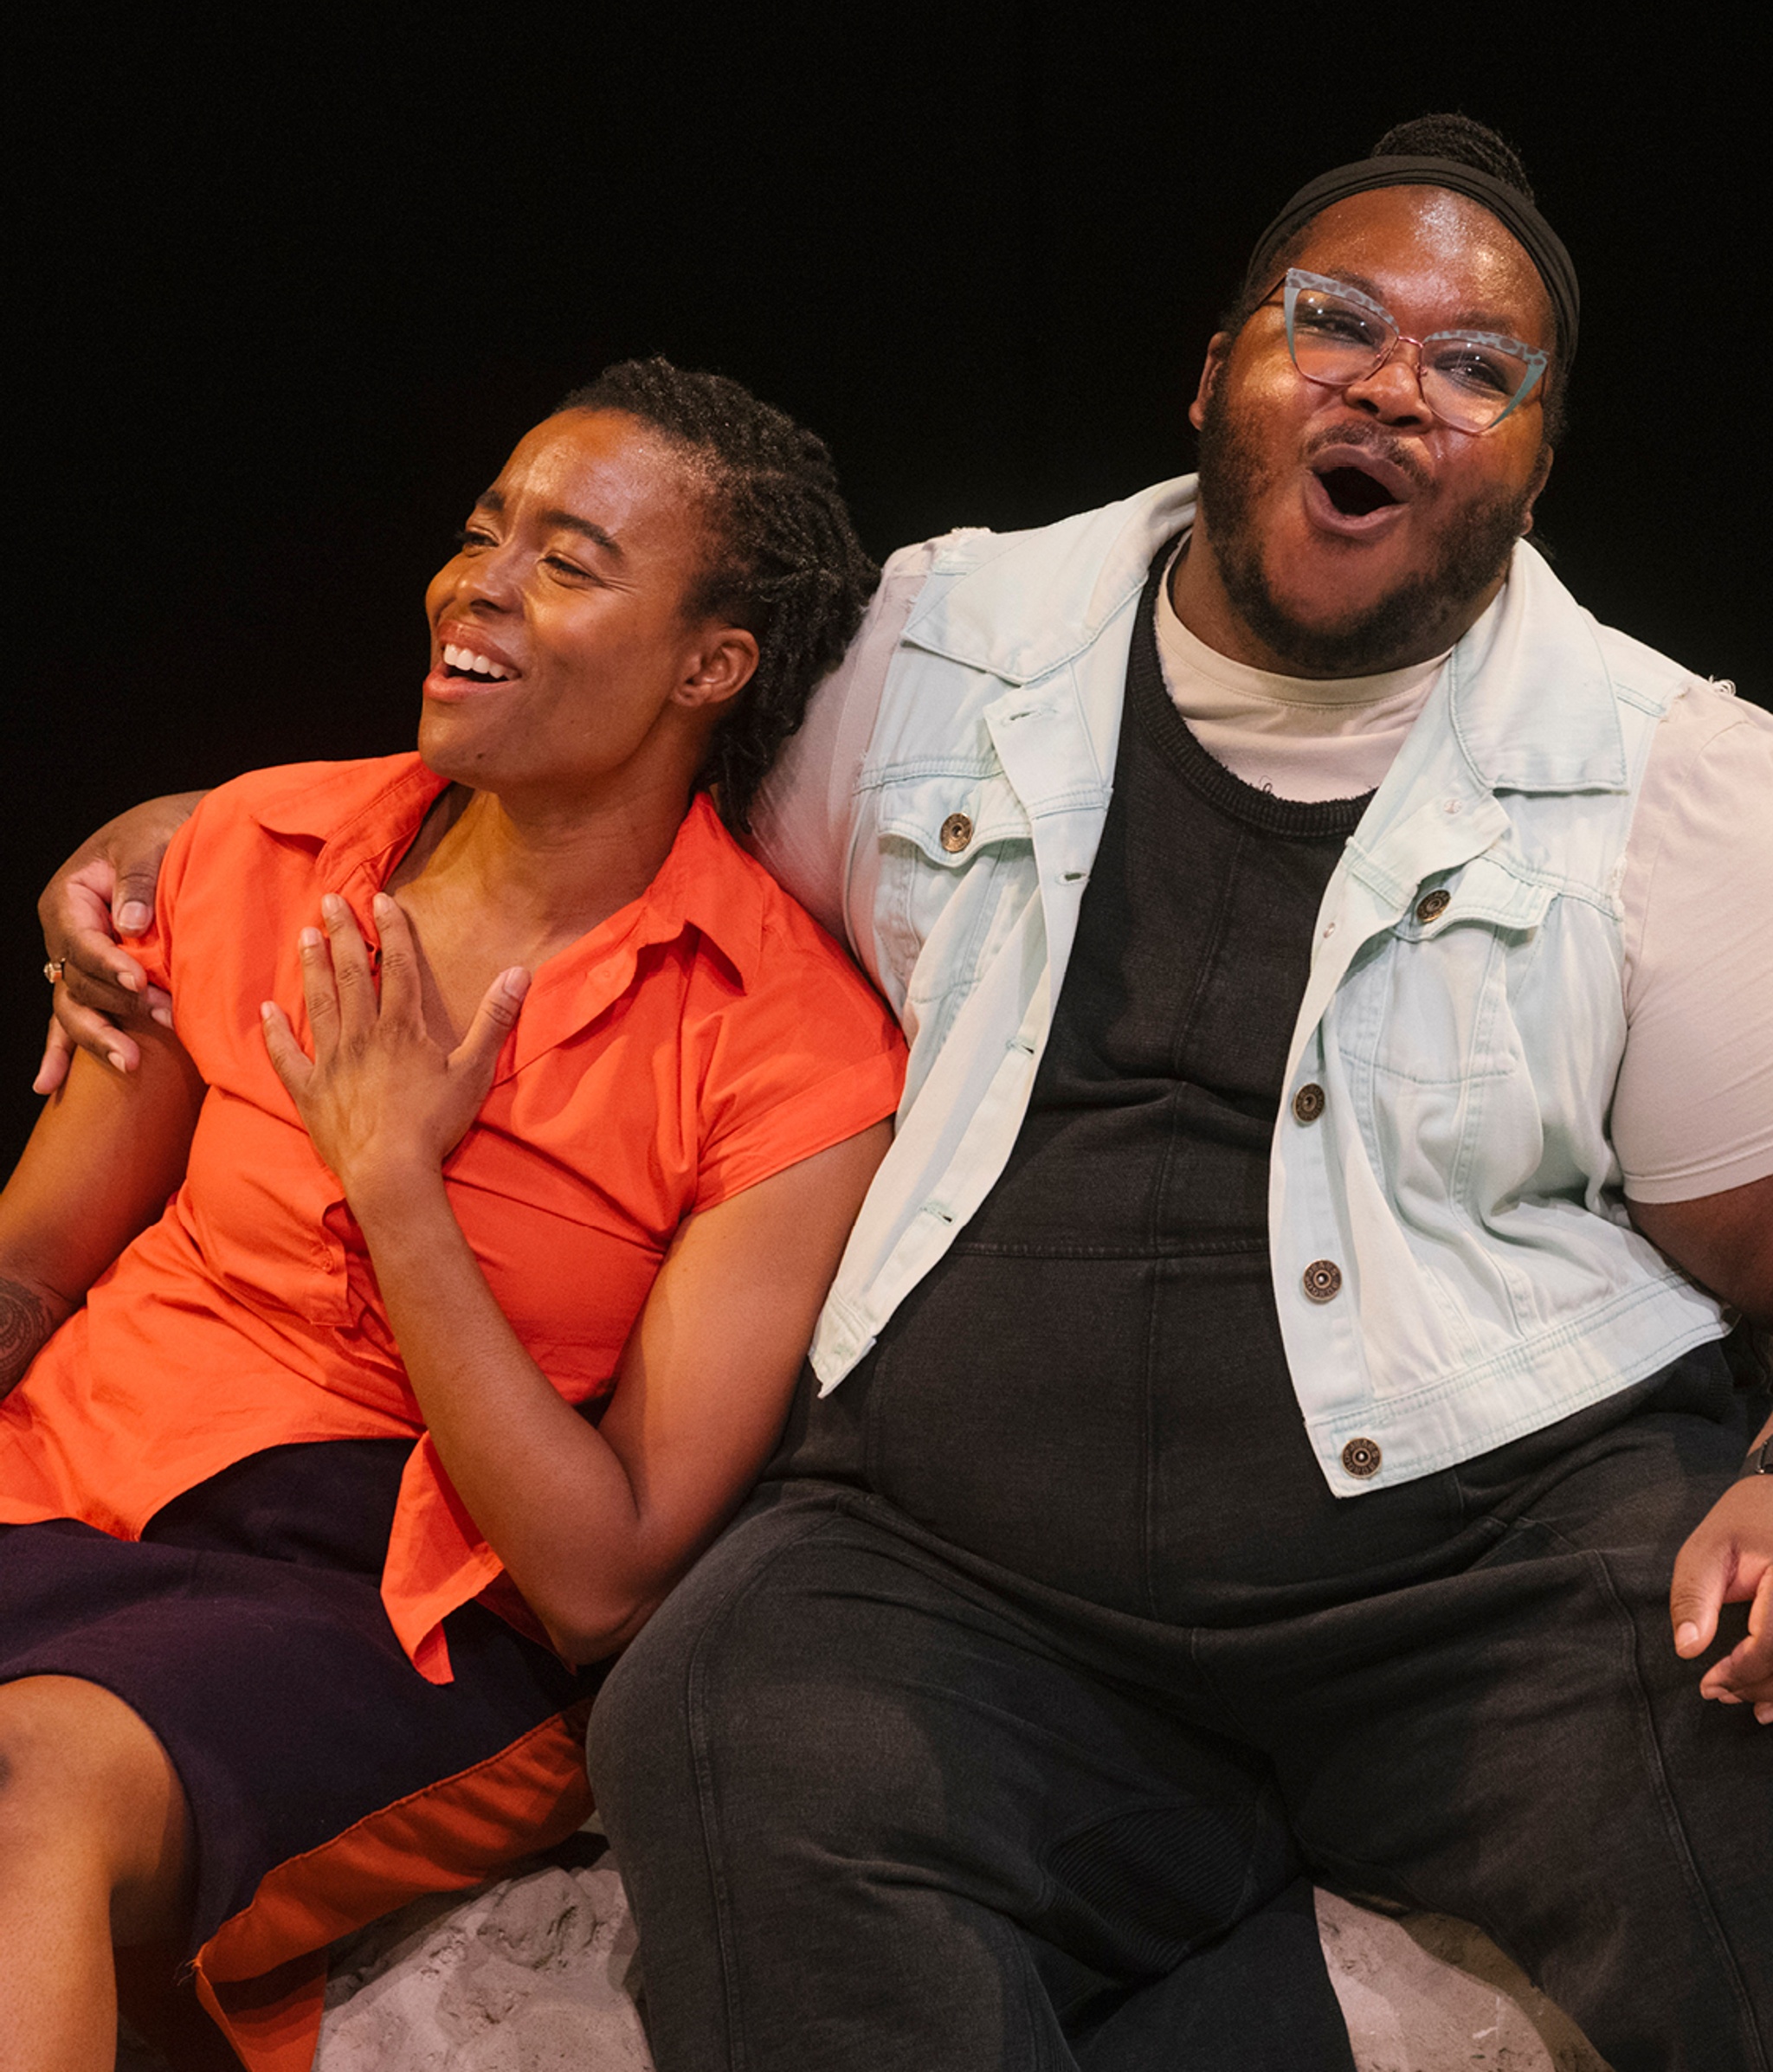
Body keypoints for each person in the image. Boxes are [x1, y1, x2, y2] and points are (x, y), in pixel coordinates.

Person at [37, 119, 1773, 2069]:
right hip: (967, 1575)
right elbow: (576, 785)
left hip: (1491, 1571)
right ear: (1214, 371)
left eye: (1479, 369)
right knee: (722, 1717)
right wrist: (182, 835)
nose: (1395, 383)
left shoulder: (1668, 773)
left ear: (1534, 463)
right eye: (1335, 321)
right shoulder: (940, 647)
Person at [1, 359, 906, 2072]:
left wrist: (394, 1179)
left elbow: (598, 1580)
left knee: (27, 1782)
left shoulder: (790, 1048)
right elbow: (38, 1260)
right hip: (68, 1478)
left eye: (568, 559)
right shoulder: (263, 847)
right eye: (484, 530)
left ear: (709, 664)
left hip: (386, 1612)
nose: (476, 582)